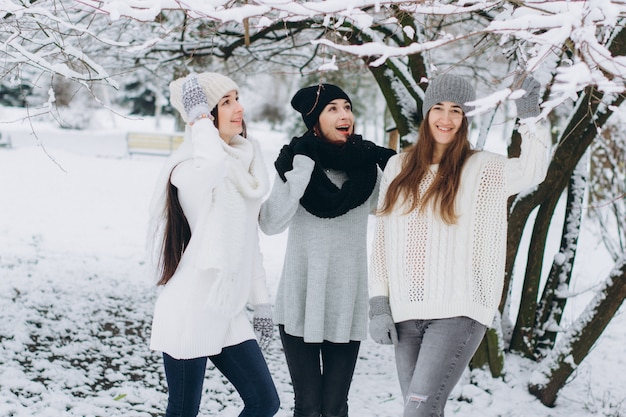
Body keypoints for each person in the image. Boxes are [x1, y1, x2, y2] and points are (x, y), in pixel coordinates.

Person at [368, 73, 549, 417]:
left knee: (418, 412)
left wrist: (530, 114)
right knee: (421, 412)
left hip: (457, 312)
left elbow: (532, 171)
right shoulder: (398, 167)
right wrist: (379, 304)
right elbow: (381, 243)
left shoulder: (482, 168)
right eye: (439, 108)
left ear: (466, 118)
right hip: (406, 315)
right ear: (426, 112)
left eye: (456, 111)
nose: (446, 119)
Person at [259, 83, 396, 417]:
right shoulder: (294, 163)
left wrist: (395, 167)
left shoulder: (368, 168)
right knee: (308, 406)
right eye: (332, 108)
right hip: (301, 299)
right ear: (314, 120)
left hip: (345, 302)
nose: (344, 114)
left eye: (346, 107)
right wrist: (299, 176)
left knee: (335, 408)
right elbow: (270, 223)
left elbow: (392, 207)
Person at [148, 72, 280, 417]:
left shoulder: (243, 165)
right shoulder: (189, 170)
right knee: (183, 410)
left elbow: (248, 244)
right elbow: (213, 163)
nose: (239, 108)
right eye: (226, 102)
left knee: (265, 402)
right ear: (202, 116)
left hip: (227, 309)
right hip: (190, 311)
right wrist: (198, 120)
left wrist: (262, 303)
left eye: (237, 98)